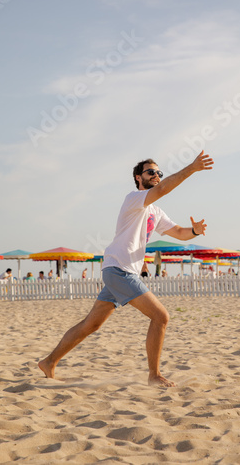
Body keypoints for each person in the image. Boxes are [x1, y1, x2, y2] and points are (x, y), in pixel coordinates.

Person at [38, 150, 213, 387]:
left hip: (118, 270)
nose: (157, 175)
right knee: (161, 317)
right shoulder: (133, 198)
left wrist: (194, 231)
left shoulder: (155, 211)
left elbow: (179, 233)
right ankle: (154, 375)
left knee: (91, 324)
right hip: (119, 270)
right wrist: (191, 168)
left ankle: (49, 362)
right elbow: (161, 190)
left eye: (159, 172)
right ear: (138, 178)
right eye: (151, 172)